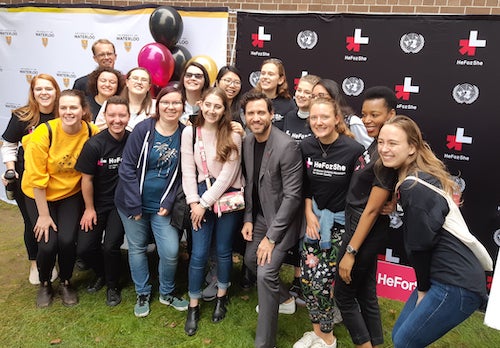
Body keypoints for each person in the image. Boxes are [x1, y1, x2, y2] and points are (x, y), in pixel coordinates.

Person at [377, 115, 487, 347]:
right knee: (400, 337)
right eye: (380, 142)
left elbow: (420, 245)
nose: (384, 149)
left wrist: (423, 290)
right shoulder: (416, 179)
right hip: (445, 278)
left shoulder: (414, 186)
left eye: (393, 143)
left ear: (412, 148)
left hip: (455, 283)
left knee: (405, 342)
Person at [294, 97, 364, 348]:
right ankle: (316, 332)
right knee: (307, 281)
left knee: (322, 282)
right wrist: (309, 214)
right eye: (314, 117)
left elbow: (358, 195)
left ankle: (328, 338)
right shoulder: (306, 147)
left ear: (337, 119)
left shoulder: (353, 150)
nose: (319, 122)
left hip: (339, 225)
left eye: (324, 117)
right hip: (314, 221)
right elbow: (305, 186)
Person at [114, 85, 188, 318]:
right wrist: (134, 204)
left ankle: (166, 292)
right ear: (158, 104)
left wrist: (168, 201)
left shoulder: (186, 133)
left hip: (162, 207)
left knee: (171, 250)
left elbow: (184, 173)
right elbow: (126, 167)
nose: (171, 106)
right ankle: (143, 292)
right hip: (131, 202)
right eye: (166, 102)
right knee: (137, 248)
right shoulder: (144, 129)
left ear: (182, 107)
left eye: (176, 103)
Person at [21, 89, 99, 307]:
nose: (68, 112)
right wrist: (44, 216)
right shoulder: (44, 134)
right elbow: (36, 179)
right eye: (63, 107)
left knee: (66, 241)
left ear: (83, 110)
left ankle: (65, 281)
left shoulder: (91, 131)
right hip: (39, 193)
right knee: (47, 243)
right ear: (58, 110)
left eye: (73, 107)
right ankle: (45, 284)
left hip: (69, 194)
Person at [334, 86, 398, 348]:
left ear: (391, 115)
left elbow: (371, 210)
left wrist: (350, 251)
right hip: (361, 224)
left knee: (344, 296)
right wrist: (394, 199)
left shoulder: (386, 154)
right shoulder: (378, 144)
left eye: (375, 115)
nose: (368, 120)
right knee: (367, 294)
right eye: (365, 115)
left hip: (363, 229)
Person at [240, 90, 303, 348]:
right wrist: (247, 218)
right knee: (249, 260)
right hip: (260, 216)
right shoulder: (247, 141)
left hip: (282, 221)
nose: (256, 118)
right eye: (251, 113)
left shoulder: (286, 146)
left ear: (271, 114)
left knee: (265, 274)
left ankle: (265, 343)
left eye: (260, 112)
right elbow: (250, 184)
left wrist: (270, 238)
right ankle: (286, 300)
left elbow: (293, 197)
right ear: (244, 117)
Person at [181, 87, 245, 336]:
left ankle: (221, 296)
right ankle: (194, 304)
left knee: (223, 250)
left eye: (217, 106)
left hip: (226, 196)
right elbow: (188, 170)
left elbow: (229, 175)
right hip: (199, 195)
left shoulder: (233, 134)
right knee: (198, 253)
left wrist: (205, 202)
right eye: (208, 105)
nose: (211, 110)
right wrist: (194, 203)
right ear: (200, 103)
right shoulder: (190, 132)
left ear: (224, 109)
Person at [1, 74, 60, 285]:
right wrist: (10, 169)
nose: (44, 93)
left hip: (58, 179)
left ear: (56, 91)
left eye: (49, 88)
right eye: (39, 89)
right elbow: (8, 144)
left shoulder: (63, 113)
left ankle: (53, 259)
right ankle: (35, 262)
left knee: (56, 220)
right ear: (33, 92)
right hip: (27, 179)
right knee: (32, 222)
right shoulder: (22, 116)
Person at [75, 96, 130, 306]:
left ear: (128, 117)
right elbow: (86, 179)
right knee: (85, 248)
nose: (117, 120)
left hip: (120, 204)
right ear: (105, 117)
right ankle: (101, 272)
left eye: (122, 115)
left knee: (110, 246)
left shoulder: (132, 140)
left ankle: (113, 285)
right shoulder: (94, 145)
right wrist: (89, 209)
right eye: (112, 115)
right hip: (97, 203)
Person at [282, 74, 320, 306]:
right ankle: (296, 278)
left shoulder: (317, 120)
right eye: (300, 89)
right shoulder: (288, 117)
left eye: (309, 92)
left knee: (307, 236)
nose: (302, 94)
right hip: (288, 186)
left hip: (311, 188)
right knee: (293, 234)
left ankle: (304, 280)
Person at [312, 79, 372, 149]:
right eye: (313, 97)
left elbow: (370, 151)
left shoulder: (352, 122)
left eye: (321, 96)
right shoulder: (311, 122)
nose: (316, 100)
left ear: (333, 97)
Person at [94, 67, 155, 131]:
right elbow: (98, 130)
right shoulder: (109, 104)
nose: (139, 82)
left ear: (149, 86)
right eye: (135, 78)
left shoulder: (156, 107)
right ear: (127, 82)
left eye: (144, 80)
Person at [254, 58, 295, 130]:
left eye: (270, 74)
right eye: (263, 73)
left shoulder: (289, 105)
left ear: (280, 80)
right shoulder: (251, 100)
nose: (265, 77)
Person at [283, 74, 320, 142]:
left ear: (315, 96)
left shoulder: (319, 120)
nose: (301, 95)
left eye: (307, 92)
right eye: (299, 90)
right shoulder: (289, 116)